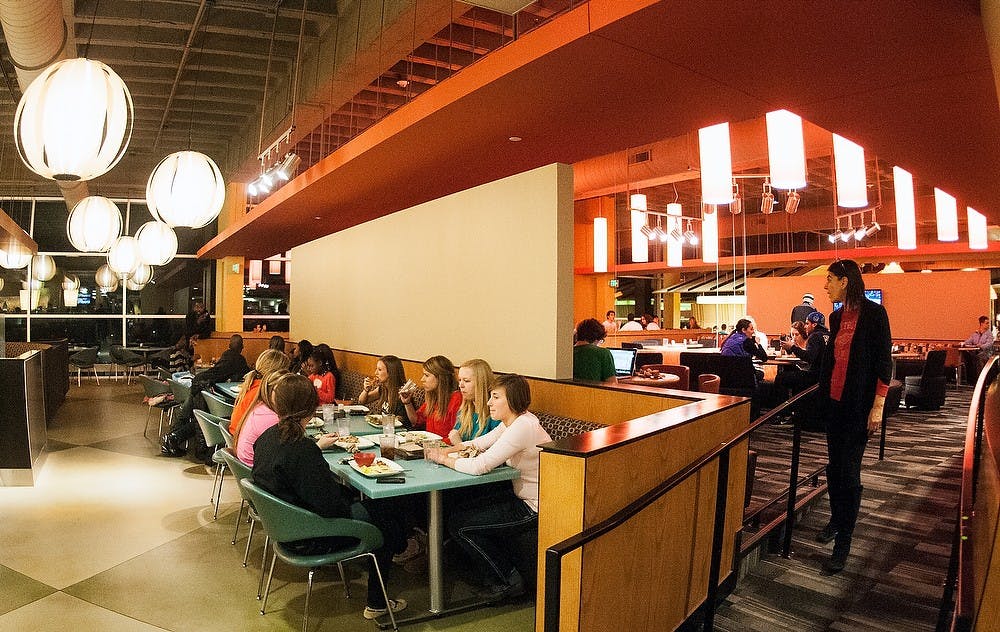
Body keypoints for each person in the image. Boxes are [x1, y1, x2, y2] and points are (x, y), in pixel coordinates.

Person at [251, 373, 407, 620]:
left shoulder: (267, 438)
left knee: (378, 511)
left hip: (283, 526)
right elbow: (332, 506)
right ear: (312, 408)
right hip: (312, 534)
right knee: (385, 516)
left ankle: (396, 544)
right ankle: (378, 602)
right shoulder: (302, 449)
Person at [427, 374, 552, 601]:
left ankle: (508, 581)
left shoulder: (523, 426)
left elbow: (480, 466)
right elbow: (479, 443)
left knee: (460, 525)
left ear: (512, 400)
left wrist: (444, 460)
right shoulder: (514, 422)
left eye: (495, 397)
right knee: (458, 510)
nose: (488, 402)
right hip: (521, 497)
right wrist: (447, 451)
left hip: (534, 507)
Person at [816, 259, 892, 574]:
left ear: (846, 281)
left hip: (859, 407)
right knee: (834, 469)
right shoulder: (835, 317)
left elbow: (883, 360)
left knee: (849, 474)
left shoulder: (875, 314)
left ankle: (844, 541)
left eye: (830, 279)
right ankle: (836, 519)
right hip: (834, 404)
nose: (826, 285)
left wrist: (878, 406)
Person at [161, 334, 250, 458]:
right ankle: (173, 440)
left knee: (188, 416)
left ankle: (171, 439)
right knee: (201, 420)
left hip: (198, 384)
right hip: (204, 388)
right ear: (242, 347)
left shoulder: (226, 354)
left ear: (229, 345)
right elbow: (247, 375)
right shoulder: (239, 359)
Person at [229, 349, 290, 434]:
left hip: (235, 435)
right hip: (242, 440)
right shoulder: (263, 393)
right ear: (278, 374)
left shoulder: (252, 385)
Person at [400, 355, 462, 439]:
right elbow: (416, 421)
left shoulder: (457, 399)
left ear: (440, 377)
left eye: (426, 375)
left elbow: (457, 436)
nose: (422, 379)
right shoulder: (433, 396)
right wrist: (407, 403)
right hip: (430, 445)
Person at [774, 312, 829, 402]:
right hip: (825, 376)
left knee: (781, 378)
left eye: (807, 323)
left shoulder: (814, 336)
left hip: (814, 376)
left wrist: (792, 347)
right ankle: (797, 407)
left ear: (814, 324)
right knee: (793, 373)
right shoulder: (828, 335)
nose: (805, 326)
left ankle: (781, 410)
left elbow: (809, 357)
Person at [448, 358, 501, 444]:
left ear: (481, 384)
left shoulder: (495, 415)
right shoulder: (465, 409)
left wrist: (459, 444)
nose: (460, 385)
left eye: (466, 381)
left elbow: (491, 454)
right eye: (459, 380)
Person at [357, 355, 409, 427]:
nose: (376, 373)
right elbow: (361, 401)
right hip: (384, 427)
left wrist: (380, 420)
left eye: (379, 370)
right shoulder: (383, 388)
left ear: (390, 372)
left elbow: (402, 419)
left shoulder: (402, 393)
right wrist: (366, 390)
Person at [573, 318, 617, 384]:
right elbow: (612, 384)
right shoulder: (603, 353)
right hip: (594, 393)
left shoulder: (567, 354)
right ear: (596, 338)